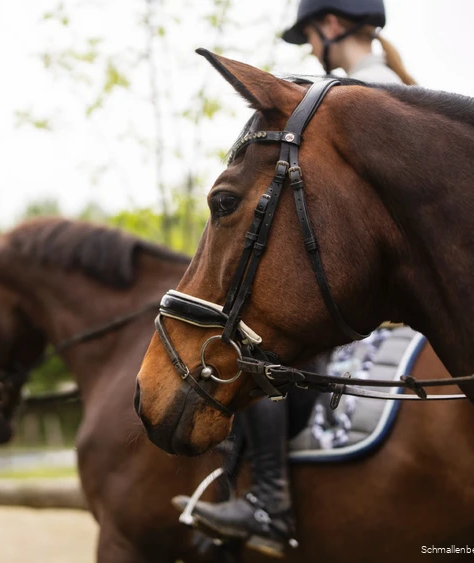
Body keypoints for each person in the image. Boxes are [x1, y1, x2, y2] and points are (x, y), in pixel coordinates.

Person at [172, 0, 416, 558]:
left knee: (262, 363)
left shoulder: (364, 96)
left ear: (329, 25)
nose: (309, 48)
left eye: (308, 36)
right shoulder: (387, 87)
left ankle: (270, 504)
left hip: (382, 310)